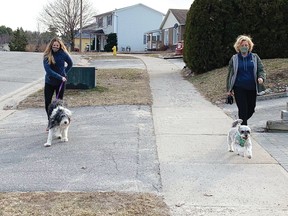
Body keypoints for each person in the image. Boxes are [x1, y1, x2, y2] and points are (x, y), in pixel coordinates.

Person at [226, 35, 266, 125]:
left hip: (252, 87)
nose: (244, 47)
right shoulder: (234, 59)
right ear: (238, 47)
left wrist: (261, 77)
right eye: (242, 45)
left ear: (249, 46)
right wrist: (229, 89)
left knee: (251, 109)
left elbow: (261, 69)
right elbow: (230, 75)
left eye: (246, 45)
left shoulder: (255, 57)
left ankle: (239, 123)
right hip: (239, 88)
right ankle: (243, 132)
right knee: (243, 109)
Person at [43, 37, 73, 127]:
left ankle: (59, 121)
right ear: (51, 45)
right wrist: (60, 77)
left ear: (60, 46)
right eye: (54, 45)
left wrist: (64, 73)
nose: (55, 46)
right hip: (49, 82)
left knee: (59, 104)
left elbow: (70, 64)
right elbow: (48, 70)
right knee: (48, 103)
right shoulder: (47, 55)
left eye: (57, 45)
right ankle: (50, 122)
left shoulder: (63, 54)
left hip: (60, 83)